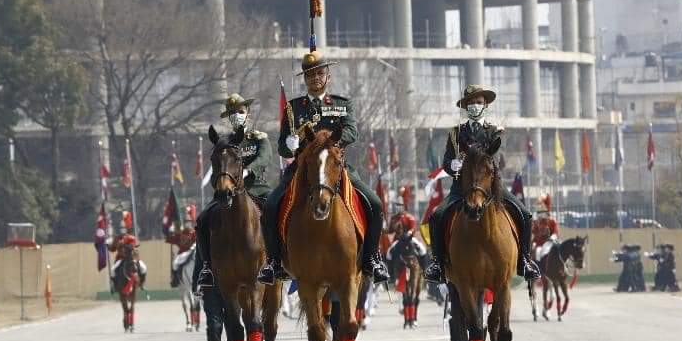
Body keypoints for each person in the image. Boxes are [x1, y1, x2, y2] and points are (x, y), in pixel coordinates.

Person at [258, 50, 391, 285]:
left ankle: (372, 258)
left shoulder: (342, 103)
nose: (315, 78)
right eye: (310, 75)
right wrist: (290, 146)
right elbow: (282, 147)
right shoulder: (293, 108)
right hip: (302, 169)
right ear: (305, 79)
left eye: (320, 73)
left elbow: (351, 131)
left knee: (375, 203)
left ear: (328, 77)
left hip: (335, 167)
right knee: (269, 207)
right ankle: (274, 262)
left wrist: (326, 141)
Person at [424, 84, 540, 283]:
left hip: (491, 187)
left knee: (525, 215)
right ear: (466, 107)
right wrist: (453, 165)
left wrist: (475, 160)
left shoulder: (495, 131)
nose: (475, 106)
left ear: (485, 105)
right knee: (437, 217)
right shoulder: (455, 133)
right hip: (461, 187)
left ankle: (524, 260)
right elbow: (446, 163)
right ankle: (437, 263)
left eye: (479, 102)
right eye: (471, 103)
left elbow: (496, 161)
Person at [195, 93, 274, 289]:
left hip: (256, 188)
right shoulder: (225, 142)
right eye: (233, 113)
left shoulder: (258, 138)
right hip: (229, 191)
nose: (237, 116)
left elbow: (265, 158)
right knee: (203, 219)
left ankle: (275, 262)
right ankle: (206, 268)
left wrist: (249, 169)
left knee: (276, 212)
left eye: (240, 111)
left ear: (248, 113)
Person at [531, 194, 559, 263]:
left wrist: (552, 237)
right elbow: (534, 232)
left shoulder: (552, 221)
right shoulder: (536, 221)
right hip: (539, 243)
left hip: (549, 242)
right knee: (536, 251)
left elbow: (555, 232)